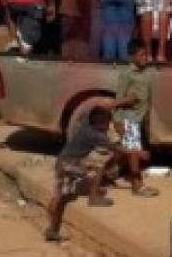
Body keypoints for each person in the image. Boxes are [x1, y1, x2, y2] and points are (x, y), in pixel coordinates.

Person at [44, 105, 117, 241]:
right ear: (100, 124)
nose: (109, 126)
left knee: (58, 195)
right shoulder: (97, 135)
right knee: (98, 167)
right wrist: (138, 153)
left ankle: (52, 227)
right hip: (69, 164)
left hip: (62, 161)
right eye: (108, 123)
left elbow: (89, 111)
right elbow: (115, 148)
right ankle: (93, 197)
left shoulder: (85, 124)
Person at [111, 40, 160, 198]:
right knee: (133, 153)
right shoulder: (126, 75)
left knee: (125, 152)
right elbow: (119, 98)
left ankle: (107, 173)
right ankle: (137, 186)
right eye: (141, 55)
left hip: (139, 118)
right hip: (129, 118)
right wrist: (117, 121)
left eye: (146, 54)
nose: (145, 57)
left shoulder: (145, 73)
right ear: (132, 56)